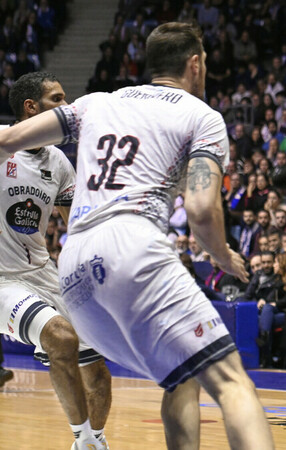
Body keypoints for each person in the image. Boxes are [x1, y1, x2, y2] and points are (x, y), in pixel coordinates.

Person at [0, 23, 273, 448]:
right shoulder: (202, 116)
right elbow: (201, 210)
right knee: (233, 383)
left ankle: (89, 440)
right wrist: (221, 256)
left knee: (181, 376)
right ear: (195, 65)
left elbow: (10, 138)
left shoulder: (98, 102)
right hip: (130, 245)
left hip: (73, 263)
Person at [0, 72, 113, 449]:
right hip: (2, 279)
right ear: (31, 108)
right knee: (61, 338)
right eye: (57, 99)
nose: (67, 108)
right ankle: (82, 442)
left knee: (97, 369)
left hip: (43, 273)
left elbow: (76, 226)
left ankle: (95, 441)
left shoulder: (60, 162)